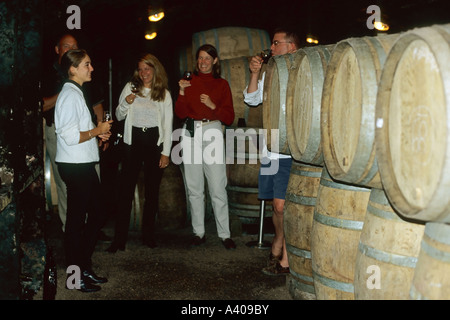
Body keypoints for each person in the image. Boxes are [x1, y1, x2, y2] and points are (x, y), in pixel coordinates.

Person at [54, 49, 112, 292]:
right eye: (87, 64)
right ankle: (74, 275)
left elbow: (78, 131)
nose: (92, 68)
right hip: (75, 166)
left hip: (82, 164)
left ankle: (83, 266)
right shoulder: (69, 95)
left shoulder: (76, 92)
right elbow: (67, 136)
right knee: (77, 222)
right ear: (73, 69)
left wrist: (96, 133)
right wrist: (96, 132)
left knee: (97, 214)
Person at [243, 28, 300, 275]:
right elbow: (252, 99)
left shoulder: (302, 72)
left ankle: (286, 257)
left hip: (291, 150)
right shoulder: (272, 72)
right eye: (272, 43)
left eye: (277, 43)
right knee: (275, 205)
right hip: (271, 148)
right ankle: (278, 238)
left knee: (281, 205)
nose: (272, 47)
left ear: (292, 47)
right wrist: (255, 73)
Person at [106, 53, 173, 253]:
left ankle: (148, 235)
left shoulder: (164, 93)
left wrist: (166, 152)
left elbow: (168, 126)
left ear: (155, 69)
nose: (144, 73)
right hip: (132, 143)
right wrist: (126, 102)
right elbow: (118, 115)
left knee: (152, 193)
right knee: (125, 192)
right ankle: (119, 240)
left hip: (154, 144)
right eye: (141, 69)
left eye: (147, 68)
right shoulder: (130, 87)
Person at [42, 33, 107, 232]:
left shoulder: (82, 79)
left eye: (75, 45)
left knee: (88, 196)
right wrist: (66, 89)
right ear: (57, 49)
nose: (71, 49)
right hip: (64, 140)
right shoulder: (53, 77)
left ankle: (83, 236)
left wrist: (100, 130)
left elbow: (96, 104)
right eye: (66, 46)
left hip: (86, 140)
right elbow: (41, 106)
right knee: (69, 193)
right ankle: (73, 237)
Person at [175, 44, 236, 250]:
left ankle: (224, 234)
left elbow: (229, 117)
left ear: (215, 61)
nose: (203, 62)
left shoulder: (222, 84)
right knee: (194, 186)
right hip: (190, 131)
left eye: (207, 59)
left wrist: (213, 106)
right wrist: (182, 92)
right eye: (200, 58)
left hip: (212, 131)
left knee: (218, 185)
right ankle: (198, 232)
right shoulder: (189, 81)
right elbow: (180, 113)